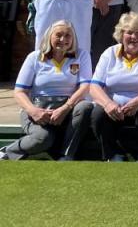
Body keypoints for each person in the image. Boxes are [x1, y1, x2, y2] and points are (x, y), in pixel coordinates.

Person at [1, 21, 93, 161]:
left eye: (68, 35)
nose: (63, 39)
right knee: (43, 138)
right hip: (38, 108)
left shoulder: (82, 55)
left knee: (85, 106)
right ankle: (7, 152)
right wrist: (33, 111)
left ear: (73, 38)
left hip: (68, 109)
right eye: (58, 35)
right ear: (50, 36)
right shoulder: (34, 57)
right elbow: (19, 91)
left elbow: (85, 87)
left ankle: (66, 155)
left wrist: (65, 108)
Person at [89, 13, 138, 162]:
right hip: (115, 108)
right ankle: (112, 155)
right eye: (129, 32)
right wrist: (108, 104)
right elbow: (94, 86)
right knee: (97, 114)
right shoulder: (109, 53)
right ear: (121, 34)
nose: (134, 37)